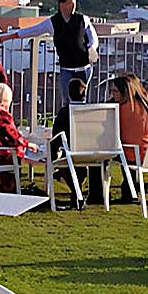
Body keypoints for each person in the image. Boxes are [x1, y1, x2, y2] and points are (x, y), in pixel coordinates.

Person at [0, 0, 98, 94]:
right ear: (61, 5)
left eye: (74, 4)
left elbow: (92, 36)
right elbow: (30, 31)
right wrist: (5, 38)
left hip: (83, 67)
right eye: (70, 3)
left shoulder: (82, 19)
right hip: (66, 68)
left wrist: (91, 47)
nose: (73, 6)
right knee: (67, 99)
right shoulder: (52, 22)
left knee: (81, 98)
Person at [108, 74, 148, 203]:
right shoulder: (147, 104)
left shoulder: (122, 110)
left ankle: (100, 192)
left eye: (115, 91)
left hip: (134, 155)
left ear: (125, 92)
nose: (112, 95)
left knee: (104, 156)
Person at [50, 77, 89, 210]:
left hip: (71, 151)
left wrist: (52, 154)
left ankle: (76, 193)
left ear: (68, 94)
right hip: (92, 152)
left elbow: (56, 136)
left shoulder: (64, 112)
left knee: (67, 168)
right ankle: (79, 194)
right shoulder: (92, 111)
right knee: (79, 171)